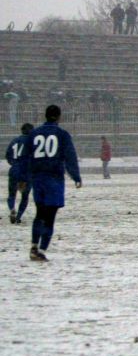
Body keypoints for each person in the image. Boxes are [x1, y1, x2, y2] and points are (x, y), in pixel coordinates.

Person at [21, 105, 82, 262]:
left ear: (46, 115)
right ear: (59, 117)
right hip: (54, 178)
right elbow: (70, 157)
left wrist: (23, 178)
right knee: (50, 216)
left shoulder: (34, 134)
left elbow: (25, 156)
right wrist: (76, 176)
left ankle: (34, 245)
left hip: (38, 178)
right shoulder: (62, 134)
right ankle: (41, 249)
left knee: (39, 213)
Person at [6, 122, 33, 224]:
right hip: (27, 172)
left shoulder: (14, 141)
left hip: (14, 170)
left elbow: (8, 155)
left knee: (12, 194)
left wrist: (14, 163)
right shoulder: (32, 142)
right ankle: (18, 216)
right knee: (25, 196)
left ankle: (12, 208)